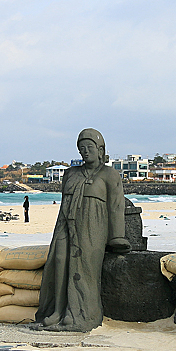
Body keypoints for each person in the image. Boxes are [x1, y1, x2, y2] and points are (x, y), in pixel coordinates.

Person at [33, 128, 130, 332]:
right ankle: (57, 310)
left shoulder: (109, 174)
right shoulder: (71, 174)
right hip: (65, 225)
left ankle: (78, 313)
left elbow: (116, 205)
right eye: (81, 148)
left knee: (83, 267)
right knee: (58, 263)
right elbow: (63, 202)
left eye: (89, 147)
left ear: (100, 149)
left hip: (92, 226)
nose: (85, 152)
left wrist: (117, 237)